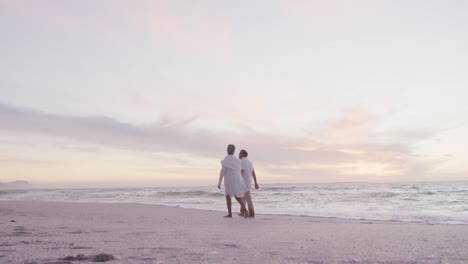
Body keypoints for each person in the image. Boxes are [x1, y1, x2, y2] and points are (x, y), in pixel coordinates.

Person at [218, 144, 249, 218]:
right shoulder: (237, 160)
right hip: (237, 179)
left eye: (228, 148)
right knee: (237, 196)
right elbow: (239, 170)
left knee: (228, 196)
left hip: (229, 179)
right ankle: (245, 210)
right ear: (234, 151)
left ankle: (230, 214)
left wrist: (219, 182)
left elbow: (222, 171)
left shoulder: (226, 159)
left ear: (228, 150)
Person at [238, 149, 259, 217]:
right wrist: (255, 182)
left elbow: (241, 171)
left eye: (239, 153)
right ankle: (243, 211)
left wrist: (239, 181)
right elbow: (253, 172)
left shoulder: (241, 161)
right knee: (244, 196)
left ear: (242, 154)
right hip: (249, 181)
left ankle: (251, 212)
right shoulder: (250, 162)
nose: (238, 154)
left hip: (243, 181)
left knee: (246, 196)